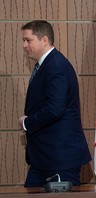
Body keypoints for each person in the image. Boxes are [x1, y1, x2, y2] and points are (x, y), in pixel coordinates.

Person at [18, 20, 92, 187]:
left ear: (44, 40)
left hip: (60, 158)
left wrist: (27, 122)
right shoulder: (47, 65)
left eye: (28, 40)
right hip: (44, 159)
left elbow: (55, 109)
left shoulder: (56, 66)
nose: (24, 45)